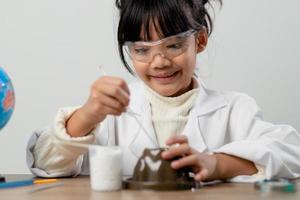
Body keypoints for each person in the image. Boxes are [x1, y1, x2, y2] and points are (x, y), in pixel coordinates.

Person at [27, 0, 300, 182]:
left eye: (173, 45)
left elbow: (292, 153)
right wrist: (86, 115)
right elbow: (45, 164)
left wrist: (216, 163)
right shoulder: (110, 114)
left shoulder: (234, 108)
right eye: (142, 50)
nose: (159, 62)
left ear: (200, 40)